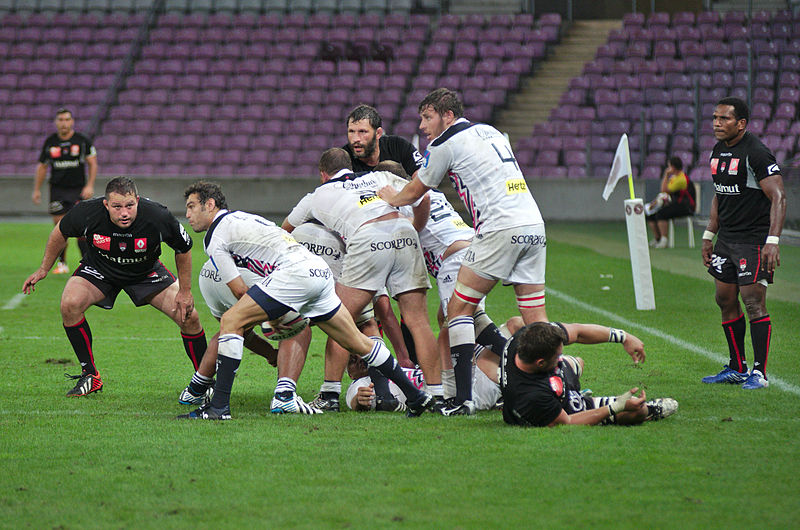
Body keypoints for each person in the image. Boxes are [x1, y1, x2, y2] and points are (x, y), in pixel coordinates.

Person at [179, 181, 434, 420]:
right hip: (318, 271)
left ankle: (219, 406)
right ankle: (415, 396)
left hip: (294, 274)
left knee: (231, 320)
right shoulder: (242, 217)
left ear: (210, 205)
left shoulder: (217, 234)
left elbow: (238, 290)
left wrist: (273, 316)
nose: (188, 214)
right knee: (359, 342)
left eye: (191, 207)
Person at [379, 88, 547, 415]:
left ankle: (462, 400)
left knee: (457, 311)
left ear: (448, 116)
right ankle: (554, 384)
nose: (423, 127)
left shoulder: (445, 143)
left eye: (428, 118)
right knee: (537, 323)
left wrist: (391, 196)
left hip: (498, 229)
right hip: (533, 226)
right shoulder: (490, 131)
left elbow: (417, 189)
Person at [282, 148, 444, 413]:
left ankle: (330, 395)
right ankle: (438, 396)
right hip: (404, 232)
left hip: (368, 237)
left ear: (323, 174)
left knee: (340, 318)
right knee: (418, 321)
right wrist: (415, 227)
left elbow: (286, 231)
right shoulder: (378, 177)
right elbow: (422, 195)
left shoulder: (317, 195)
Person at [22, 177, 207, 396]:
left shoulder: (158, 216)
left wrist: (185, 291)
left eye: (130, 206)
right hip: (100, 269)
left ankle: (204, 383)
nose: (124, 213)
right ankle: (90, 375)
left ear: (137, 200)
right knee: (69, 303)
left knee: (190, 316)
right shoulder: (87, 212)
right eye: (117, 207)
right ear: (106, 204)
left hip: (145, 272)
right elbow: (60, 232)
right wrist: (44, 269)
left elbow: (183, 248)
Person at [701, 97, 786, 390]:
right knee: (724, 299)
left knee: (753, 302)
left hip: (753, 241)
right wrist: (709, 235)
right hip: (726, 241)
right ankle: (737, 366)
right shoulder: (717, 150)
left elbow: (779, 197)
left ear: (741, 124)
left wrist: (772, 241)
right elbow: (719, 193)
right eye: (715, 117)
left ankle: (759, 373)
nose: (716, 123)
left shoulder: (757, 153)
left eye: (724, 119)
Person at [500, 321, 678, 427]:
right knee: (637, 412)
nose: (560, 357)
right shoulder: (532, 396)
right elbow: (568, 422)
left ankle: (574, 390)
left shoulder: (525, 337)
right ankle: (649, 411)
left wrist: (624, 337)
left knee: (577, 362)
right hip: (559, 409)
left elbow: (577, 331)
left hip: (546, 384)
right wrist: (615, 407)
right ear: (540, 362)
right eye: (556, 356)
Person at [347, 316, 524, 412]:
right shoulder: (360, 384)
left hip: (469, 374)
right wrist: (359, 400)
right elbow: (355, 400)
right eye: (352, 361)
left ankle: (534, 376)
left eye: (359, 355)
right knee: (449, 327)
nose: (360, 360)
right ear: (349, 374)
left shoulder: (393, 368)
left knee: (515, 324)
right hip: (467, 387)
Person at [32, 107, 98, 274]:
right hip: (57, 190)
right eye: (61, 120)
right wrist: (37, 189)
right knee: (60, 227)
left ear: (72, 121)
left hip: (78, 190)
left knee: (81, 228)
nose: (64, 123)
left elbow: (92, 163)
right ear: (56, 122)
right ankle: (62, 264)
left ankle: (86, 264)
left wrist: (89, 185)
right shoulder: (50, 142)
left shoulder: (82, 141)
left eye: (67, 119)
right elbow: (42, 166)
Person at [343, 104, 425, 177]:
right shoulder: (343, 159)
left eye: (362, 132)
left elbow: (423, 179)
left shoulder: (398, 146)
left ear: (378, 133)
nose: (356, 139)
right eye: (351, 131)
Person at [645, 156, 696, 248]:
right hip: (677, 204)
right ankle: (658, 239)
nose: (668, 168)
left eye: (669, 166)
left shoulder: (681, 179)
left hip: (686, 206)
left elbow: (664, 190)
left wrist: (666, 174)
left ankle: (664, 240)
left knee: (661, 214)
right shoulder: (674, 178)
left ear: (673, 167)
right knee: (651, 215)